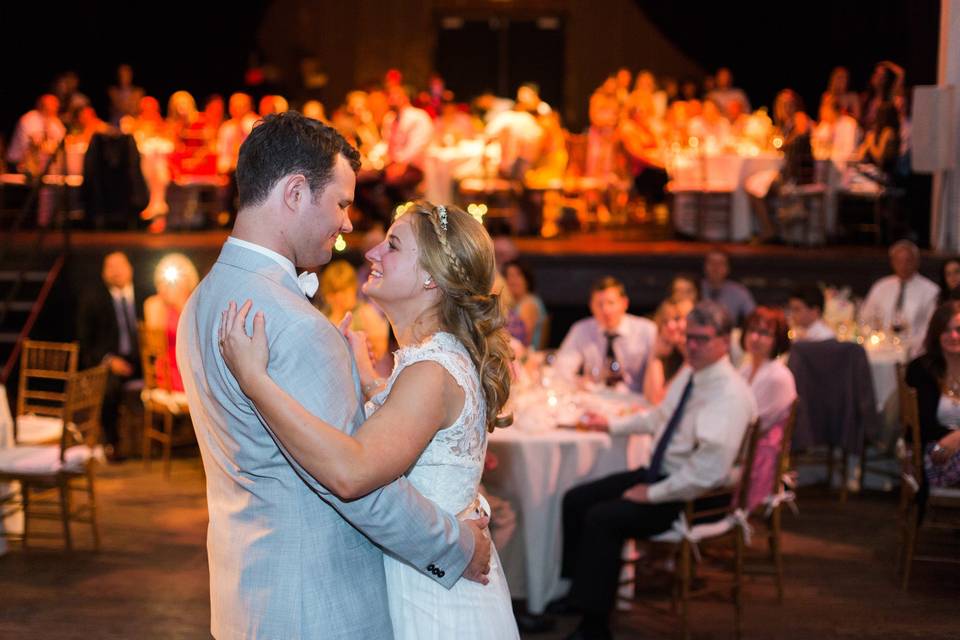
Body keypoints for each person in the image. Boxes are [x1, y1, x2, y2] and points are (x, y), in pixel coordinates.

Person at [175, 112, 493, 639]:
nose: (348, 224)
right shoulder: (296, 327)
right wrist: (460, 546)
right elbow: (358, 486)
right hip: (316, 608)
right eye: (341, 203)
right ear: (296, 192)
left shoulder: (202, 301)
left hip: (247, 597)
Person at [217, 199, 519, 638]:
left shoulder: (431, 373)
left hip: (434, 604)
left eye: (393, 246)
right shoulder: (436, 360)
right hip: (426, 578)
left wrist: (255, 380)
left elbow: (352, 471)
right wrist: (370, 382)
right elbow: (419, 432)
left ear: (432, 277)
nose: (372, 252)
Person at [559, 301, 756, 640]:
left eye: (702, 339)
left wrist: (651, 494)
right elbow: (658, 416)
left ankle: (594, 625)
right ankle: (580, 594)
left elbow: (706, 473)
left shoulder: (729, 395)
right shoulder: (694, 374)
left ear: (725, 341)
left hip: (695, 496)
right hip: (663, 473)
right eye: (689, 337)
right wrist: (610, 426)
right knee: (576, 499)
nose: (691, 346)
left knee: (602, 519)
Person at [76, 252, 141, 461]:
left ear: (130, 268)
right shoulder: (93, 299)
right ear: (103, 273)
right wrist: (109, 360)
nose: (116, 272)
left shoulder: (144, 295)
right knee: (109, 388)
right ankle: (113, 443)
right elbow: (85, 342)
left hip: (142, 361)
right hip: (111, 363)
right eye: (110, 267)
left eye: (120, 266)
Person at [554, 276, 657, 393]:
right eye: (599, 304)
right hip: (596, 398)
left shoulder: (647, 330)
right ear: (591, 306)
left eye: (611, 303)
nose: (605, 310)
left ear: (624, 303)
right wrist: (578, 381)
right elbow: (561, 368)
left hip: (637, 399)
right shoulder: (581, 329)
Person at [738, 307, 796, 511]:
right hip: (743, 445)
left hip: (759, 457)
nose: (755, 337)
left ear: (777, 340)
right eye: (752, 330)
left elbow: (756, 425)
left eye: (765, 333)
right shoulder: (745, 369)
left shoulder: (778, 376)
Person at [905, 301, 960, 488]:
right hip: (934, 451)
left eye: (959, 329)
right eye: (946, 330)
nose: (954, 336)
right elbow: (923, 426)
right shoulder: (921, 369)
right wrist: (951, 439)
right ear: (936, 334)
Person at [859, 239, 939, 357]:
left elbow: (930, 327)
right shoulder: (881, 286)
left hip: (915, 351)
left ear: (917, 262)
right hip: (881, 347)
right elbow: (865, 317)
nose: (903, 266)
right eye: (899, 261)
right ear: (892, 262)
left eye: (908, 261)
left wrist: (910, 349)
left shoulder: (931, 291)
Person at [318, 259, 390, 374]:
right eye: (335, 292)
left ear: (353, 288)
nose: (340, 297)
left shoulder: (366, 313)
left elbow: (379, 352)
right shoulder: (323, 316)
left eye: (344, 290)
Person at [143, 253, 200, 393]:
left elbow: (197, 340)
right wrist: (163, 302)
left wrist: (180, 304)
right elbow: (153, 345)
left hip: (192, 367)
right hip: (167, 372)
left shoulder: (195, 302)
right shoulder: (155, 304)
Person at [642, 298, 691, 405]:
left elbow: (659, 401)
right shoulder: (668, 352)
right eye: (665, 321)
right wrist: (655, 356)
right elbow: (650, 397)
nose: (670, 325)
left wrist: (689, 357)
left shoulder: (698, 356)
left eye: (677, 319)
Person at [700, 250, 755, 326]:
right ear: (704, 266)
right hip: (697, 335)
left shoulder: (739, 291)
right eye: (711, 262)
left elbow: (753, 318)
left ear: (728, 268)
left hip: (728, 336)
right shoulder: (693, 288)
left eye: (720, 263)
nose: (715, 267)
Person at [502, 260, 548, 349]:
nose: (512, 280)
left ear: (526, 279)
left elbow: (523, 339)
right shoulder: (514, 303)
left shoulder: (528, 303)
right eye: (508, 276)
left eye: (517, 275)